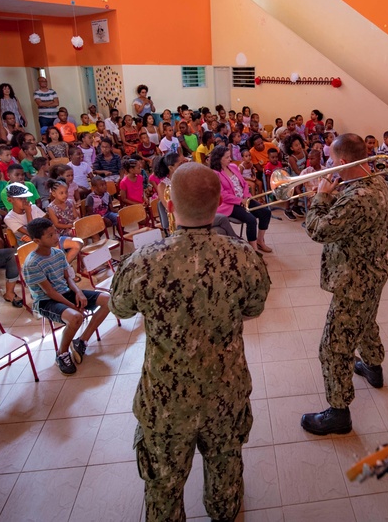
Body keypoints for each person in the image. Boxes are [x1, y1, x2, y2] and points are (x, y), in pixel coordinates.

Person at [110, 163, 270, 522]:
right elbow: (254, 307)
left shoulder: (142, 262)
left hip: (165, 399)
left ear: (169, 204)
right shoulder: (243, 257)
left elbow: (118, 306)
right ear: (218, 204)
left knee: (163, 486)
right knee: (226, 469)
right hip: (225, 391)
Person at [300, 134, 388, 435]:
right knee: (366, 323)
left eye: (329, 159)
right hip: (373, 273)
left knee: (333, 348)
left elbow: (318, 230)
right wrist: (330, 192)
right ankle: (374, 368)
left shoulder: (357, 197)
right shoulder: (375, 180)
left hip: (354, 280)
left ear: (342, 162)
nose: (326, 164)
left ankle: (338, 413)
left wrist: (320, 197)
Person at [23, 218, 109, 375]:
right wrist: (73, 306)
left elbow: (68, 277)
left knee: (108, 300)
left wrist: (79, 292)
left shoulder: (57, 253)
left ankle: (81, 341)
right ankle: (61, 353)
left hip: (65, 292)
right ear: (37, 240)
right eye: (50, 235)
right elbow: (50, 292)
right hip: (46, 301)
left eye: (55, 232)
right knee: (76, 317)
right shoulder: (32, 263)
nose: (56, 237)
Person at [210, 145, 273, 253]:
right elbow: (222, 195)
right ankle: (254, 250)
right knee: (251, 220)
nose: (230, 159)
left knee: (266, 212)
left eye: (230, 156)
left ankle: (260, 241)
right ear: (218, 159)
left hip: (244, 199)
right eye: (227, 157)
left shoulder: (233, 167)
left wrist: (246, 197)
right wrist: (240, 201)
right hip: (230, 204)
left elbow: (243, 184)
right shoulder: (214, 174)